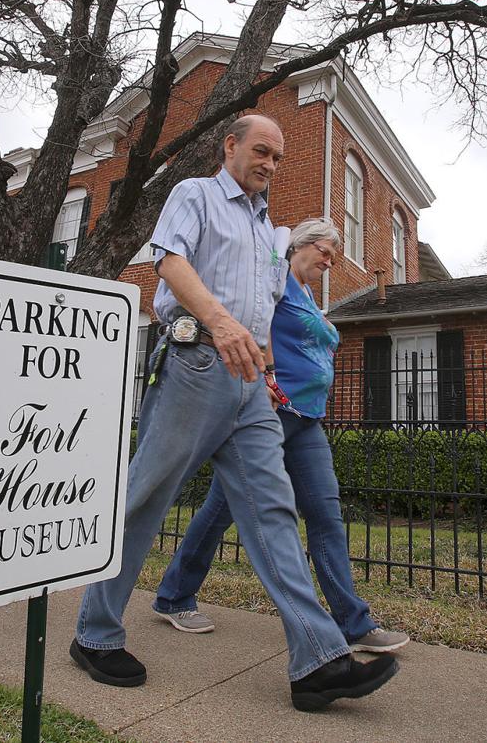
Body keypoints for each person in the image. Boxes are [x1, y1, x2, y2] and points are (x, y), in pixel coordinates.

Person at [70, 114, 399, 712]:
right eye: (262, 151)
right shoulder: (194, 195)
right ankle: (95, 633)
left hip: (250, 387)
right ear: (231, 146)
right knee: (145, 499)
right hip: (194, 364)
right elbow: (168, 263)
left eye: (277, 157)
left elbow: (264, 307)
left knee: (273, 511)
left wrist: (267, 365)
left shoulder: (268, 231)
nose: (270, 164)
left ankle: (318, 661)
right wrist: (221, 323)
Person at [152, 218, 410, 653]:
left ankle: (354, 623)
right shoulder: (278, 283)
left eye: (333, 254)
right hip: (271, 412)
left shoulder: (308, 295)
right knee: (220, 512)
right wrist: (266, 378)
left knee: (325, 515)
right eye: (324, 252)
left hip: (306, 419)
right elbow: (257, 324)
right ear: (299, 248)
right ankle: (174, 596)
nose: (330, 261)